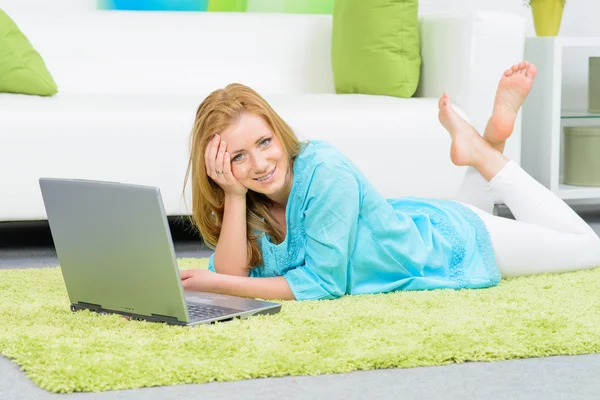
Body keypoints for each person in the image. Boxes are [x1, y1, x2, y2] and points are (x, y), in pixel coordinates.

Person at [180, 61, 600, 301]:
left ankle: (487, 154)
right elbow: (237, 272)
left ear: (278, 129)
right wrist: (233, 197)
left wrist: (213, 282)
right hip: (410, 229)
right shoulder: (247, 196)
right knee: (477, 204)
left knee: (588, 248)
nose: (259, 163)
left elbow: (325, 285)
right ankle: (481, 146)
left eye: (264, 141)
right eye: (238, 156)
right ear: (219, 166)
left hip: (450, 245)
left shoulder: (325, 171)